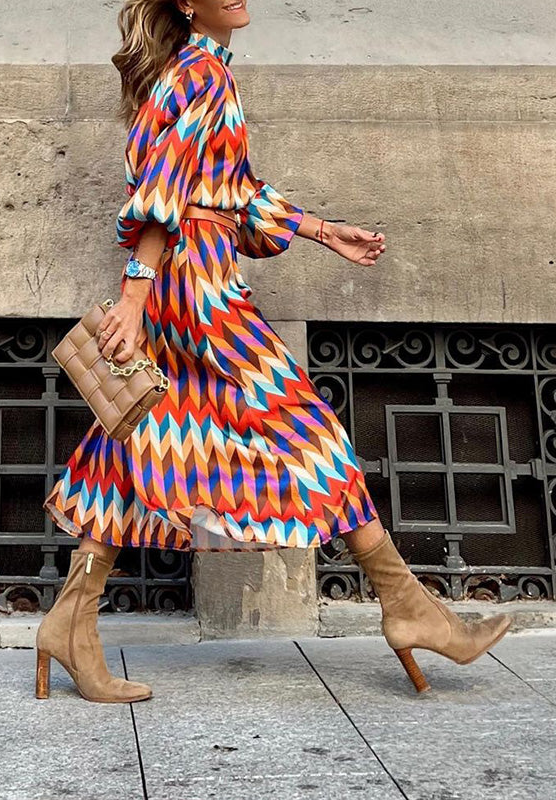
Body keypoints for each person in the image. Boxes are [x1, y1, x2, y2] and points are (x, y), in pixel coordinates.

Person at [38, 0, 511, 703]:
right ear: (187, 3)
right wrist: (136, 297)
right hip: (195, 288)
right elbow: (163, 188)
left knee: (141, 435)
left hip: (189, 275)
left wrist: (324, 230)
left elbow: (233, 192)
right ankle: (406, 604)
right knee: (308, 430)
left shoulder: (201, 71)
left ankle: (69, 625)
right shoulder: (199, 71)